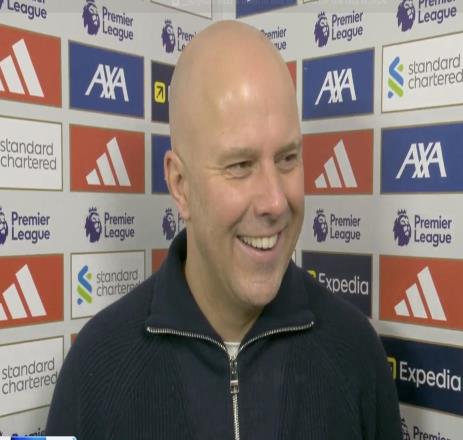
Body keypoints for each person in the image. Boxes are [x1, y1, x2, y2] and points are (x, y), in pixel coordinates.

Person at [46, 21, 402, 439]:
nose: (275, 201)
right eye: (240, 165)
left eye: (287, 158)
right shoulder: (96, 370)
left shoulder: (356, 354)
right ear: (180, 185)